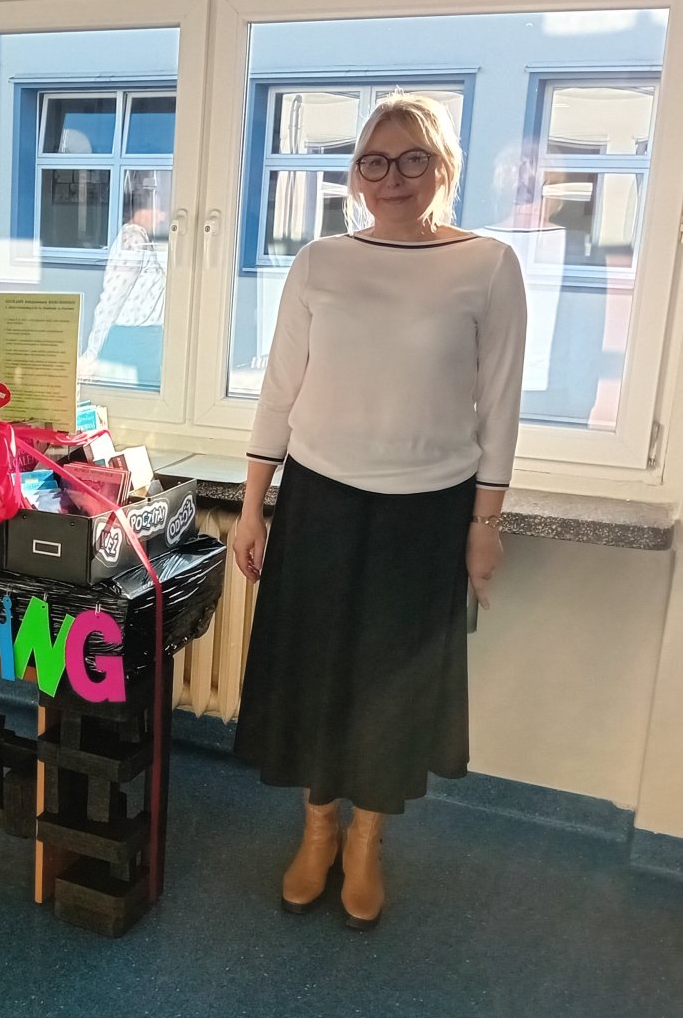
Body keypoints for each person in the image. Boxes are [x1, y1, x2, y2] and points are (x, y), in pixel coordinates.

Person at [229, 94, 526, 930]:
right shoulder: (320, 262)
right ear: (355, 176)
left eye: (412, 159)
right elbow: (280, 389)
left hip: (427, 511)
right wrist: (252, 507)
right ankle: (318, 826)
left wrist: (485, 527)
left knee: (392, 684)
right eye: (374, 161)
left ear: (443, 168)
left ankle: (367, 839)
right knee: (318, 672)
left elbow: (501, 407)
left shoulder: (488, 265)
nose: (393, 177)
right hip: (320, 498)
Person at [79, 192, 168, 387]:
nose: (162, 216)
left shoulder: (144, 240)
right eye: (158, 209)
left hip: (145, 340)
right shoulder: (132, 241)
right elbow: (113, 298)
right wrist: (92, 353)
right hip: (133, 341)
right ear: (140, 211)